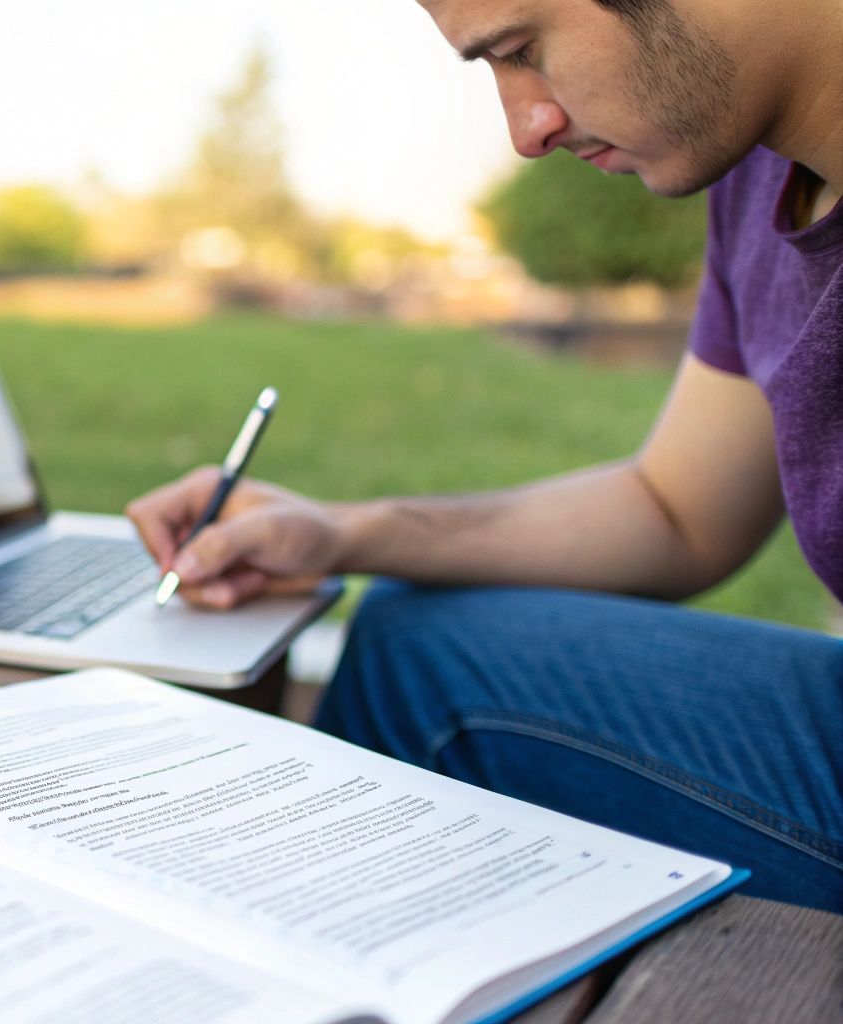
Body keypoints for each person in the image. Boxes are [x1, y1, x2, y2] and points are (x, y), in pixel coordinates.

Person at [125, 0, 843, 913]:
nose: (527, 129)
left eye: (523, 50)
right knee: (408, 637)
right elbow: (677, 510)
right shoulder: (762, 182)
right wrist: (338, 533)